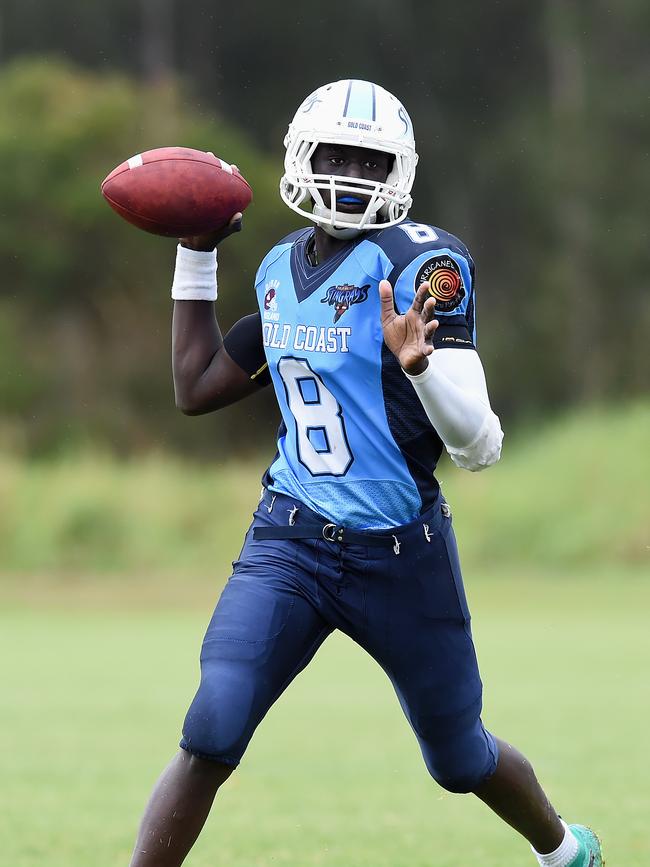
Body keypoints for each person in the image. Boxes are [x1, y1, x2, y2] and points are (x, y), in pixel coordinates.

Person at [129, 79, 602, 867]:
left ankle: (563, 850)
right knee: (212, 726)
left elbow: (480, 445)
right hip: (292, 541)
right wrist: (195, 250)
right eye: (336, 154)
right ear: (303, 156)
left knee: (460, 758)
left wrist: (419, 366)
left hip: (400, 552)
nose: (348, 171)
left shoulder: (425, 264)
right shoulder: (279, 266)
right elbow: (195, 385)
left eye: (368, 158)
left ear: (399, 170)